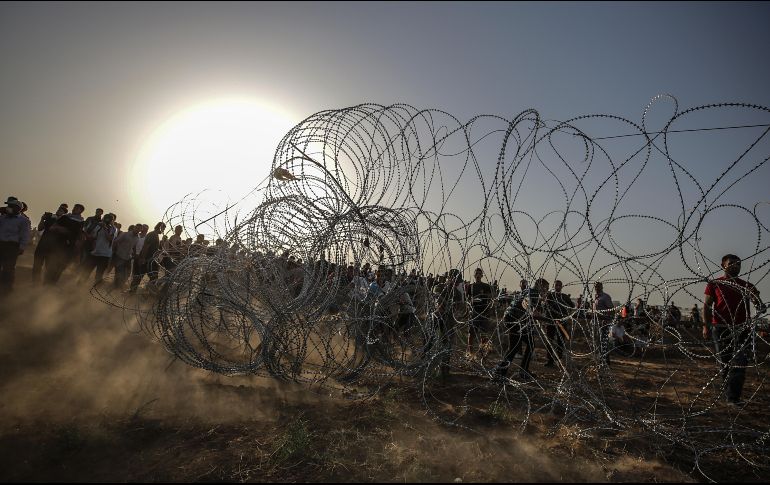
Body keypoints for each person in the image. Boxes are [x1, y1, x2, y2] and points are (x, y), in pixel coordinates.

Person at [703, 254, 766, 405]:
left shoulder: (746, 285)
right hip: (721, 328)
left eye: (738, 264)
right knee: (725, 363)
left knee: (740, 363)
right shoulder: (715, 284)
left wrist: (757, 300)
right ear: (723, 265)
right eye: (731, 263)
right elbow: (707, 306)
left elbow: (760, 306)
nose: (735, 266)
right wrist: (706, 326)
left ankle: (733, 398)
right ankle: (729, 394)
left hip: (742, 329)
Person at [495, 278, 550, 381]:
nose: (546, 291)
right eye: (546, 288)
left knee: (529, 343)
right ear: (540, 286)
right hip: (515, 320)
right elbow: (533, 313)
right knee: (514, 347)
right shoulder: (534, 293)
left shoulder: (528, 291)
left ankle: (522, 370)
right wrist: (549, 320)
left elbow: (526, 308)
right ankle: (500, 372)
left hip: (514, 319)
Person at [43, 203, 85, 284]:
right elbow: (53, 227)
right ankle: (46, 282)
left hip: (69, 247)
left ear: (81, 211)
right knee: (51, 264)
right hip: (57, 244)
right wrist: (59, 228)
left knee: (61, 266)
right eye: (74, 207)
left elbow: (77, 234)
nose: (74, 209)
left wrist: (66, 232)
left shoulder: (81, 221)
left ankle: (51, 284)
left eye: (77, 208)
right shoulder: (65, 217)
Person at [0, 199, 31, 291]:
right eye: (8, 206)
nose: (8, 208)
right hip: (1, 244)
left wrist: (22, 247)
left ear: (17, 208)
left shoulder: (23, 220)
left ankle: (6, 288)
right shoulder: (2, 218)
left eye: (10, 206)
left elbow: (25, 235)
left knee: (8, 268)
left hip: (12, 246)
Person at [32, 204, 67, 283]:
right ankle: (35, 282)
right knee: (37, 265)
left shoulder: (64, 222)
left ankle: (46, 284)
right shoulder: (50, 218)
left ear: (64, 213)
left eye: (61, 210)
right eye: (58, 209)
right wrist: (42, 219)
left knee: (49, 267)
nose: (58, 211)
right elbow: (40, 228)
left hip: (53, 248)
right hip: (42, 244)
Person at [79, 212, 117, 284]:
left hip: (105, 255)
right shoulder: (98, 226)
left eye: (109, 219)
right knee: (86, 271)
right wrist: (86, 235)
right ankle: (78, 286)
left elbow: (109, 238)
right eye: (106, 218)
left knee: (99, 275)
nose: (106, 220)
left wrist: (105, 228)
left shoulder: (114, 229)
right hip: (95, 253)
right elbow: (94, 237)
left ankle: (95, 289)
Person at [544, 280, 574, 367]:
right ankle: (550, 360)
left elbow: (572, 306)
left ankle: (559, 359)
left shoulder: (564, 297)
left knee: (560, 341)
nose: (558, 287)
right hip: (551, 321)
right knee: (550, 341)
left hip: (562, 321)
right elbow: (545, 306)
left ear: (561, 287)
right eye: (556, 285)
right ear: (554, 286)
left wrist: (566, 311)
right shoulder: (550, 295)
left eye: (559, 285)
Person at [129, 222, 166, 292]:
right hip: (146, 260)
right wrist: (142, 258)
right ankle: (133, 291)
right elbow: (146, 246)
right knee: (141, 276)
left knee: (151, 277)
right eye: (163, 229)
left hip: (150, 260)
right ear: (160, 228)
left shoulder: (155, 235)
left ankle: (144, 291)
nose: (163, 231)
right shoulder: (152, 235)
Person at [467, 268, 493, 358]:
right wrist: (470, 302)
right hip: (474, 312)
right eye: (476, 273)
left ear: (482, 275)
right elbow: (467, 299)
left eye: (479, 273)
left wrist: (485, 297)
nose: (478, 275)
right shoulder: (471, 286)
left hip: (484, 312)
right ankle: (470, 353)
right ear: (474, 275)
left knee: (484, 334)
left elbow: (491, 297)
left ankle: (482, 352)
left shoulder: (486, 286)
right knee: (471, 334)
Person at [112, 223, 139, 288]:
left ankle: (120, 284)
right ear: (134, 228)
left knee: (128, 273)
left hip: (128, 257)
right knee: (119, 272)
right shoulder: (125, 234)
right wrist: (114, 251)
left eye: (139, 229)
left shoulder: (137, 238)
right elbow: (116, 241)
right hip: (120, 256)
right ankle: (115, 286)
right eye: (137, 228)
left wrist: (135, 255)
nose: (138, 230)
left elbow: (134, 247)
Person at [593, 282, 614, 366]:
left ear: (602, 287)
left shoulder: (605, 297)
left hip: (604, 323)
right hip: (597, 322)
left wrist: (606, 319)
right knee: (599, 342)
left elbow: (611, 310)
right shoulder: (596, 297)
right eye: (595, 287)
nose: (596, 288)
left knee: (603, 342)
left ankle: (605, 361)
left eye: (598, 287)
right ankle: (602, 360)